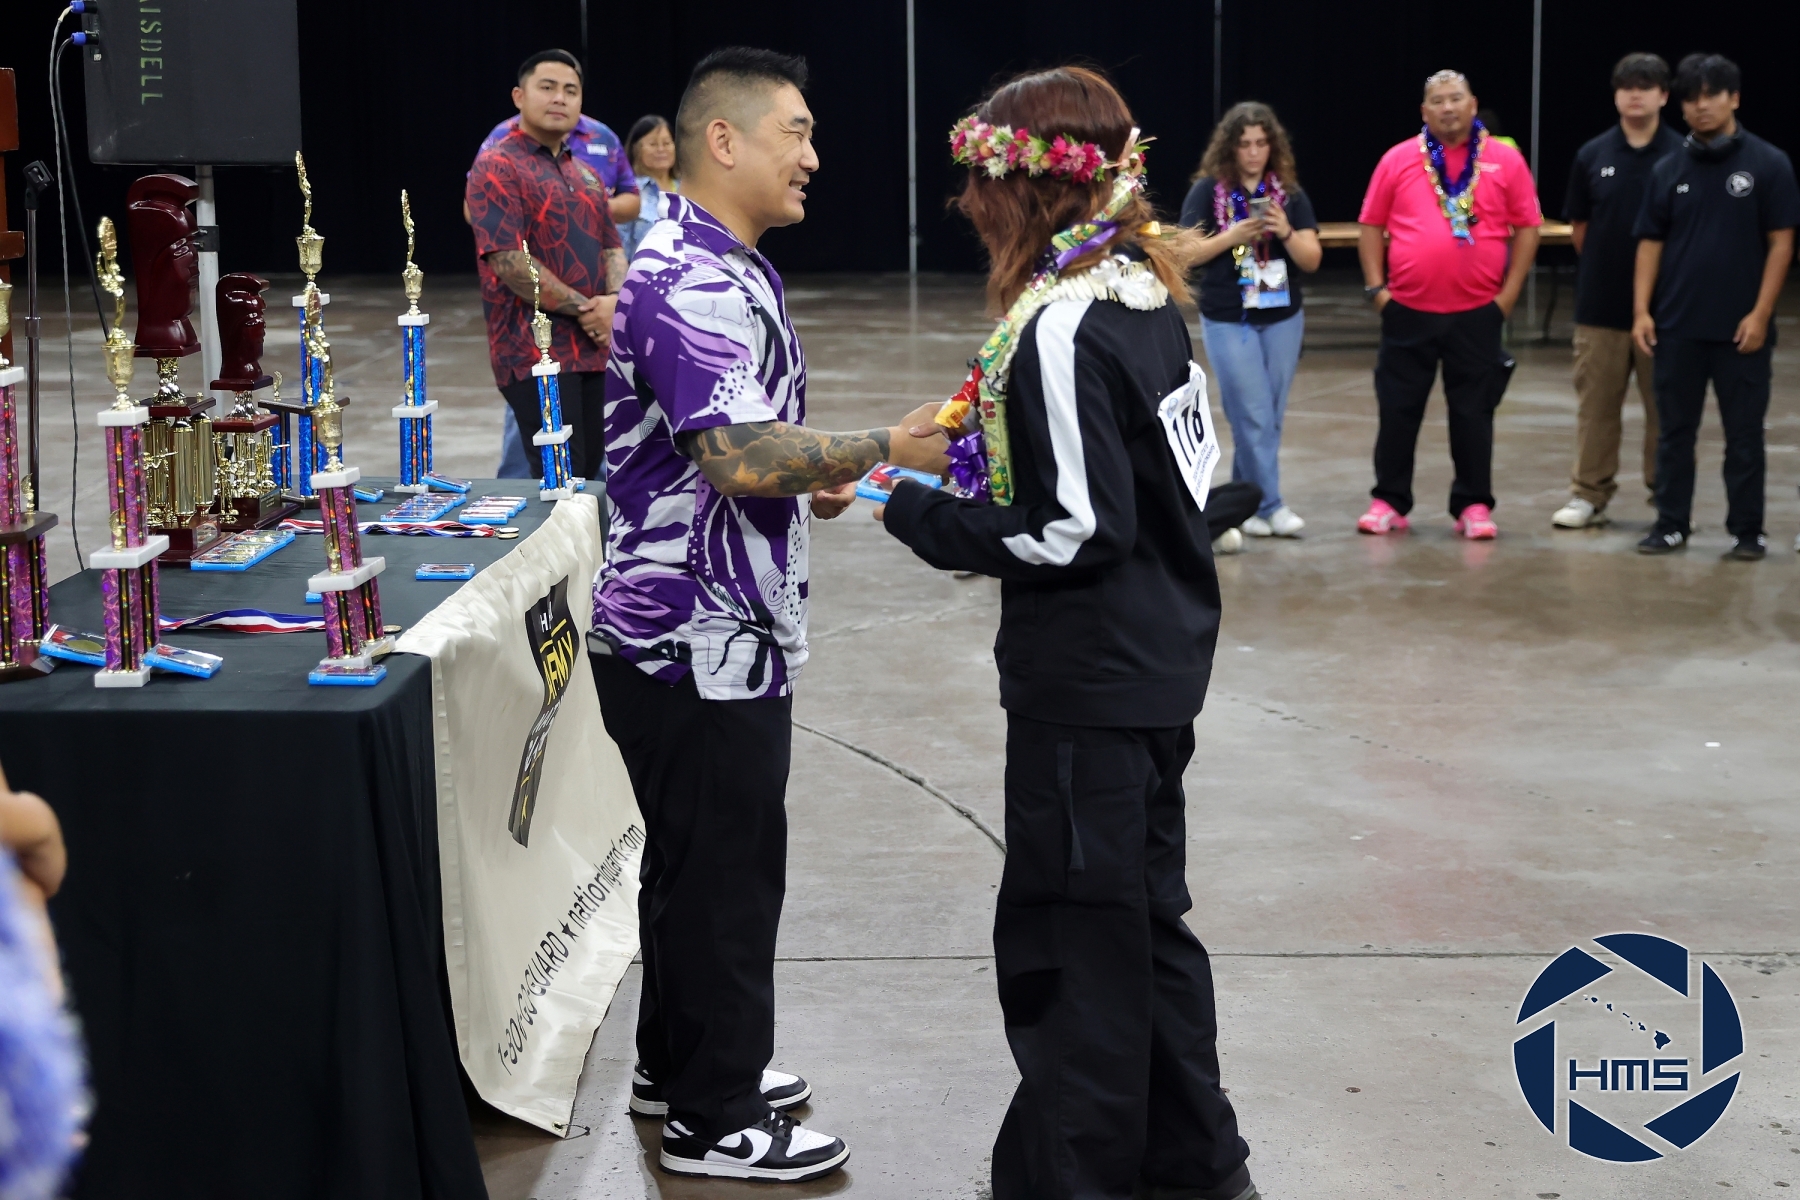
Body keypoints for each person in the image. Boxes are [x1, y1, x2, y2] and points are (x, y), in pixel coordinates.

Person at [877, 66, 1263, 1200]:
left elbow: (1076, 529)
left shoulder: (1061, 323)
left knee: (1073, 947)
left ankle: (1075, 1177)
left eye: (982, 179)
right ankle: (1199, 1167)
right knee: (1143, 928)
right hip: (1157, 669)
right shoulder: (1144, 297)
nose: (968, 202)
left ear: (1031, 187)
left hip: (1088, 685)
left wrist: (911, 510)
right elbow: (1174, 486)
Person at [589, 47, 949, 1183]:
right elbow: (739, 456)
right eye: (795, 132)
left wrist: (822, 471)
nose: (812, 156)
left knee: (692, 865)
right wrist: (884, 446)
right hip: (697, 637)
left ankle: (677, 1067)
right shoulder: (693, 277)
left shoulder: (720, 261)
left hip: (699, 628)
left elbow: (741, 446)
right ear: (724, 140)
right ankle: (717, 1118)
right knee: (728, 879)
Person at [1357, 70, 1542, 539]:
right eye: (1437, 101)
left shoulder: (1505, 160)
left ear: (1473, 104)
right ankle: (1389, 501)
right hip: (1407, 310)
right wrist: (1378, 292)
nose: (1447, 108)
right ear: (1424, 111)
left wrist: (1508, 297)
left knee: (1473, 413)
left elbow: (1528, 226)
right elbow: (1370, 225)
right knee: (1398, 410)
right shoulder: (1398, 158)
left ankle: (1473, 505)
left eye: (1455, 98)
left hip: (1478, 312)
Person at [1631, 53, 1799, 559]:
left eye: (1711, 96)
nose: (1700, 106)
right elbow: (1650, 243)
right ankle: (1670, 524)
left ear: (1734, 99)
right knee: (1674, 433)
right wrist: (1642, 311)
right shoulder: (1667, 168)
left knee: (1743, 435)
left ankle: (1747, 531)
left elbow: (1782, 243)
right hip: (1677, 326)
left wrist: (1761, 313)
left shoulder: (1769, 163)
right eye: (1691, 98)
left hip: (1741, 330)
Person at [466, 49, 625, 483]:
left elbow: (613, 248)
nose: (560, 98)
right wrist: (590, 310)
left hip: (594, 349)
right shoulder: (496, 165)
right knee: (559, 477)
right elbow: (509, 260)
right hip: (533, 350)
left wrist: (614, 302)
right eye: (548, 87)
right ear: (519, 96)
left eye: (571, 90)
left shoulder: (586, 175)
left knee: (590, 474)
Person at [1180, 101, 1321, 539]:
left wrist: (1286, 231)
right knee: (1254, 415)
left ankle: (1246, 508)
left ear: (1273, 146)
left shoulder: (1289, 195)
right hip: (1229, 316)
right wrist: (1232, 236)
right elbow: (1185, 253)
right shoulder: (1207, 191)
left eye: (1261, 143)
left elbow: (1312, 259)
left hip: (1282, 317)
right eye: (1245, 144)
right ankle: (1272, 505)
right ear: (1231, 147)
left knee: (1266, 417)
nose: (1254, 152)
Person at [1552, 53, 1681, 529]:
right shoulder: (1593, 154)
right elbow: (1580, 228)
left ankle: (1667, 499)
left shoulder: (1682, 154)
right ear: (1616, 95)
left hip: (1666, 310)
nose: (1635, 95)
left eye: (1646, 87)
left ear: (1664, 95)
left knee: (1666, 411)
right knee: (1597, 408)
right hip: (1600, 306)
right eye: (1627, 87)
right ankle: (1588, 494)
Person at [620, 115, 680, 259]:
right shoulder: (629, 192)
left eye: (667, 143)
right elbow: (620, 245)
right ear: (636, 149)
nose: (661, 149)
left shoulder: (690, 189)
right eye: (653, 144)